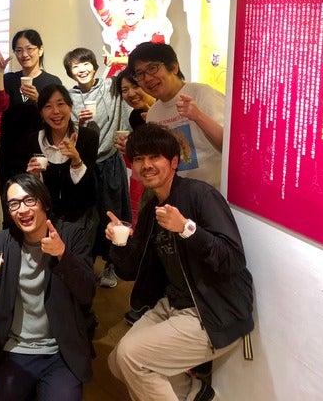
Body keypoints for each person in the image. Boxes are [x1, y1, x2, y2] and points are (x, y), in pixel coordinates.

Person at [106, 124, 254, 401]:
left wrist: (186, 228)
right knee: (117, 361)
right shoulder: (151, 211)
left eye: (155, 157)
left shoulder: (200, 195)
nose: (146, 165)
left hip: (214, 311)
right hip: (175, 304)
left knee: (131, 358)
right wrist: (119, 241)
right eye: (139, 158)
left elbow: (232, 258)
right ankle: (194, 391)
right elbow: (128, 271)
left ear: (174, 162)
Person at [0, 173, 95, 400]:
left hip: (60, 352)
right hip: (17, 349)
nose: (22, 210)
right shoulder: (3, 241)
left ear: (44, 202)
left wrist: (63, 255)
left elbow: (87, 293)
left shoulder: (70, 235)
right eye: (14, 204)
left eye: (29, 200)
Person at [63, 47, 131, 288]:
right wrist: (79, 124)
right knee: (87, 216)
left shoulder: (111, 86)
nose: (81, 69)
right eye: (75, 66)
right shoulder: (69, 97)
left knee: (113, 212)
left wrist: (117, 59)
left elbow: (136, 67)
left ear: (94, 65)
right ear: (70, 72)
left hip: (110, 160)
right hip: (85, 162)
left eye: (85, 64)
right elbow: (66, 131)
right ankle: (86, 261)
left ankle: (112, 264)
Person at [127, 42, 224, 188]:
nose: (147, 78)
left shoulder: (203, 94)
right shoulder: (153, 113)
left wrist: (198, 116)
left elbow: (230, 147)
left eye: (152, 68)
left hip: (214, 191)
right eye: (140, 74)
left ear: (173, 67)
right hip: (179, 194)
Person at [0, 29, 63, 225]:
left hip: (40, 153)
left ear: (40, 50)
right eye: (19, 50)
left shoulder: (51, 82)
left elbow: (58, 116)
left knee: (39, 206)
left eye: (29, 49)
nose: (24, 54)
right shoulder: (9, 79)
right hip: (10, 154)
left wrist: (40, 101)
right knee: (12, 207)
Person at [14, 84, 98, 235]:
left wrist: (76, 159)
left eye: (61, 104)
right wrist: (34, 177)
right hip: (45, 219)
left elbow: (88, 189)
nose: (56, 111)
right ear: (41, 113)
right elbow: (32, 192)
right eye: (48, 106)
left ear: (70, 107)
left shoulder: (88, 137)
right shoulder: (33, 141)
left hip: (81, 219)